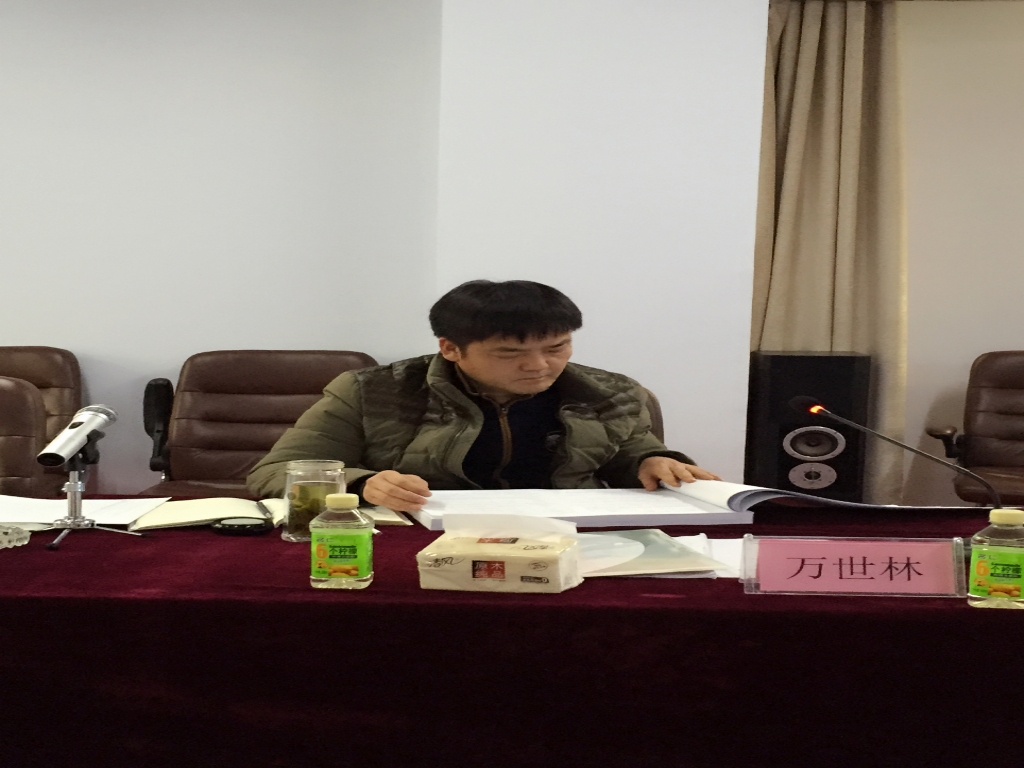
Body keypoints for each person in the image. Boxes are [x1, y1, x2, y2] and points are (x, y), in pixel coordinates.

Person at [247, 280, 720, 511]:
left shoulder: (609, 392)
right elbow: (274, 473)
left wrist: (653, 461)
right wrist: (362, 484)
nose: (539, 366)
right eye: (510, 353)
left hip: (570, 536)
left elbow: (630, 452)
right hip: (425, 538)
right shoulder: (372, 391)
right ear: (451, 349)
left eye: (557, 348)